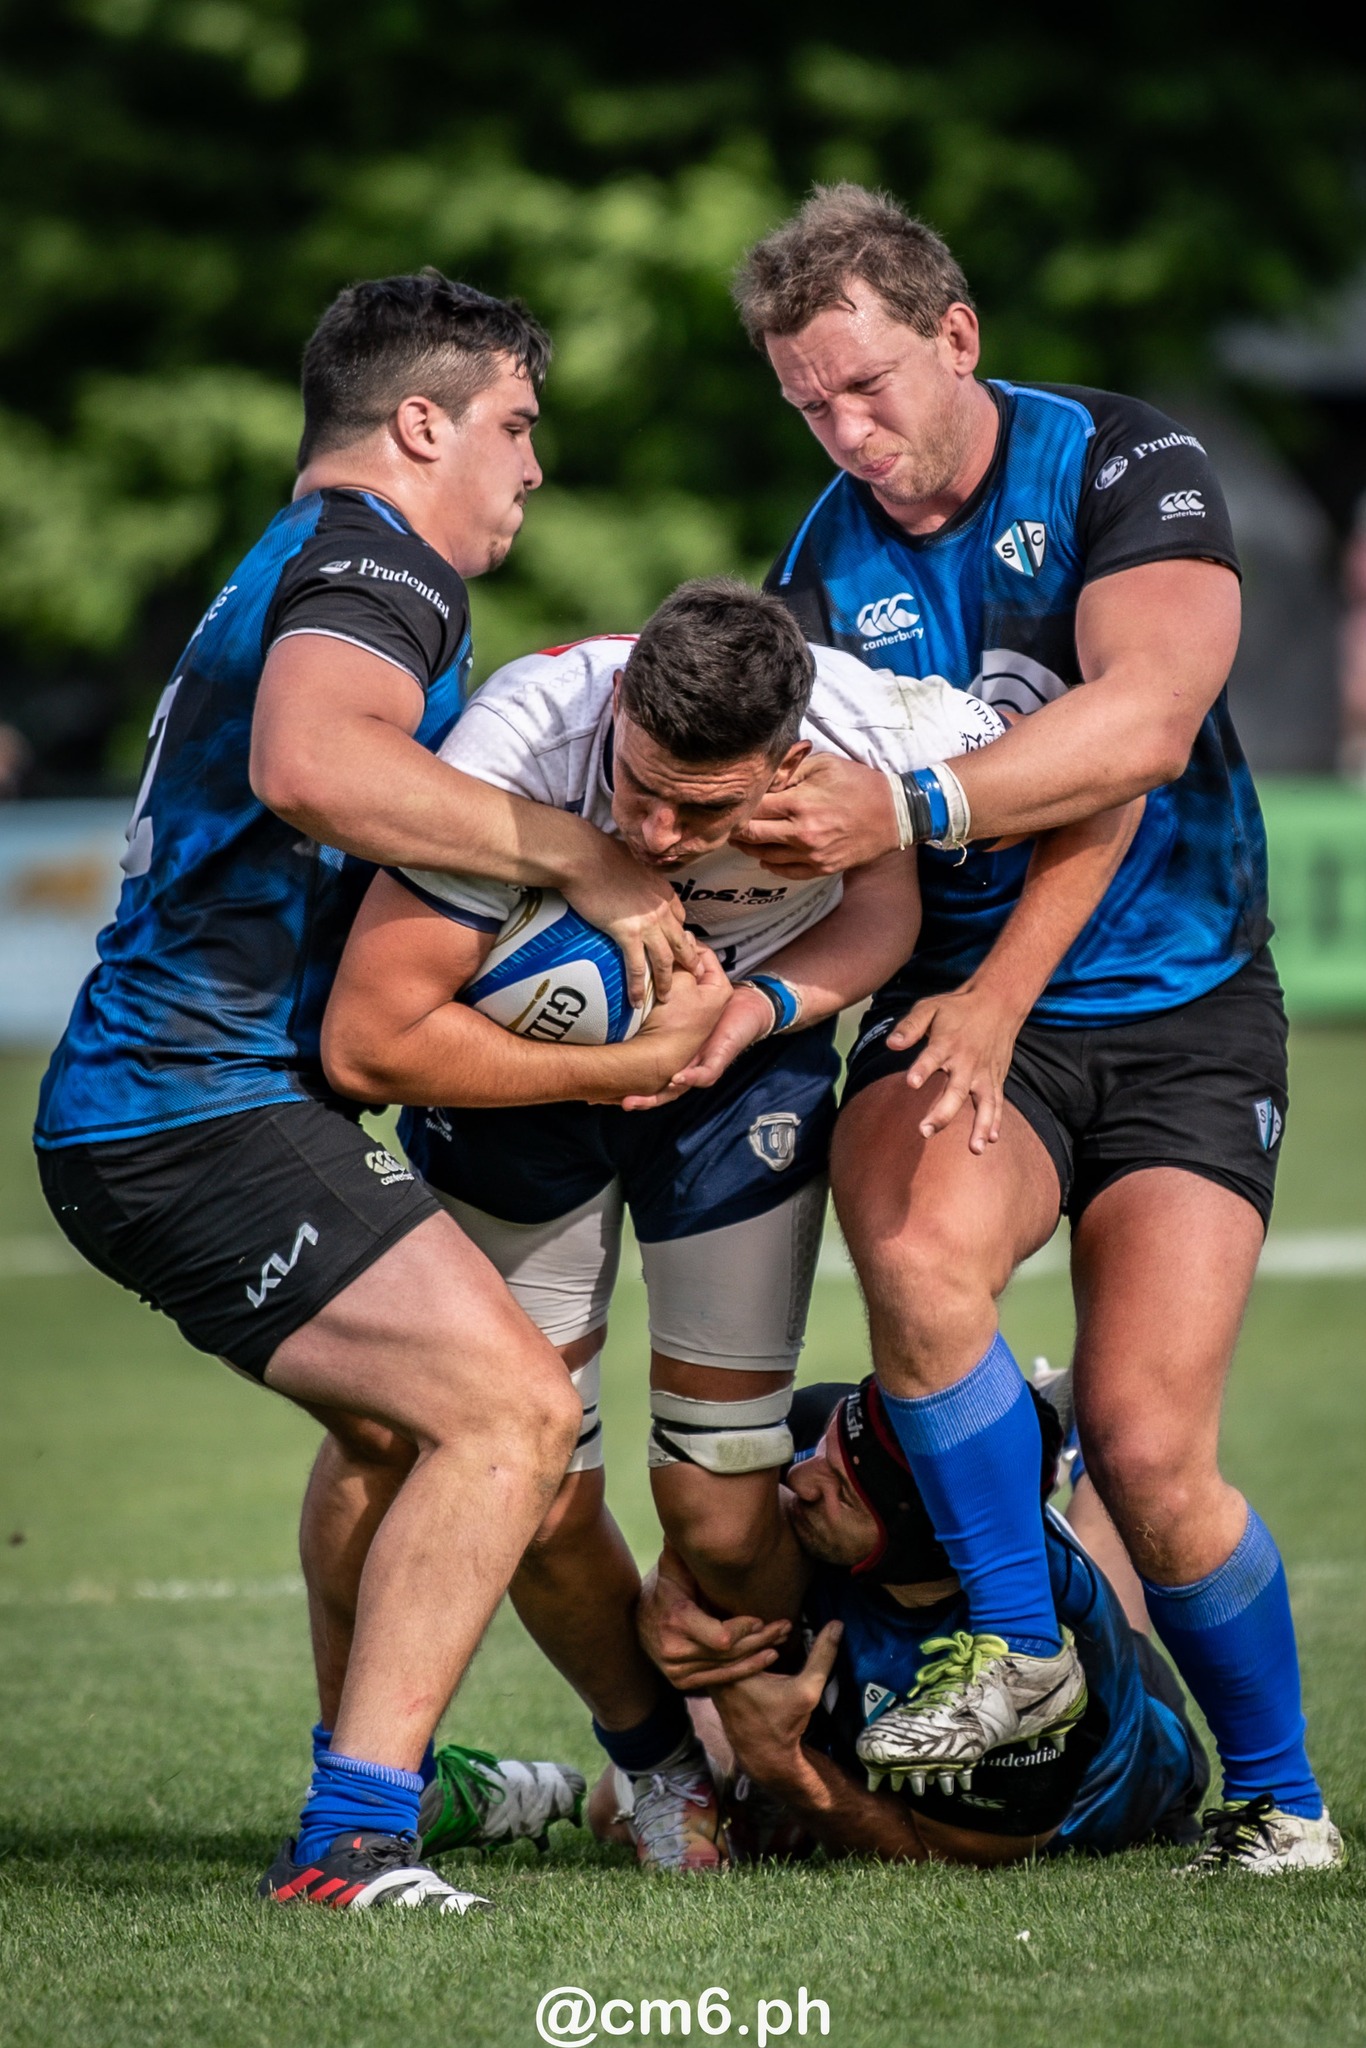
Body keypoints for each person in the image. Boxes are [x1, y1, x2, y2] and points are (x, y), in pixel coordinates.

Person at [32, 270, 698, 1914]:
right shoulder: (370, 557)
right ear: (421, 423)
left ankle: (453, 1771)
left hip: (199, 1099)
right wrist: (583, 857)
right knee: (514, 1412)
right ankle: (351, 1842)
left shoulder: (320, 564)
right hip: (183, 1110)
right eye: (516, 424)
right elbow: (312, 766)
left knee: (414, 1437)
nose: (533, 466)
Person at [321, 577, 1140, 1871]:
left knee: (715, 1507)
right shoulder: (518, 737)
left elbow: (1087, 785)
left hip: (741, 1081)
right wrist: (605, 1050)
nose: (652, 827)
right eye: (634, 784)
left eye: (699, 809)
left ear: (789, 754)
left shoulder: (877, 725)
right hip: (515, 1099)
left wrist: (755, 1016)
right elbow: (369, 1040)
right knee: (526, 1483)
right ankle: (660, 1768)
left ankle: (771, 1726)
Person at [725, 183, 1341, 1872]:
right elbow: (823, 836)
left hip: (1184, 1009)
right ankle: (1018, 1639)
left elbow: (1137, 732)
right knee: (920, 1254)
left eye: (868, 387)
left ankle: (1279, 1798)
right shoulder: (820, 561)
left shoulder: (1124, 465)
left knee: (1151, 1447)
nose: (847, 432)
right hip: (948, 992)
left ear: (958, 336)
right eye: (808, 406)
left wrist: (918, 824)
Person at [626, 1375, 1210, 1868]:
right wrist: (666, 1599)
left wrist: (786, 1768)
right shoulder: (833, 1436)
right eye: (824, 1451)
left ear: (918, 1547)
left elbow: (951, 1852)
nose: (801, 1480)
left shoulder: (1037, 1680)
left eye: (841, 1495)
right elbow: (708, 1541)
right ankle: (1030, 1443)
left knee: (1117, 1590)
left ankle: (1091, 1446)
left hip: (1087, 1799)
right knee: (623, 1805)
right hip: (872, 1685)